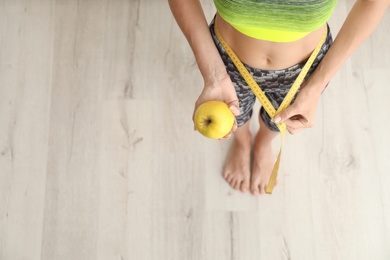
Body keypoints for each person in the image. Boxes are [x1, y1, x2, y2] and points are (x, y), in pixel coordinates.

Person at [168, 0, 390, 195]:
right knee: (236, 116)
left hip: (303, 70)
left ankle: (263, 143)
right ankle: (243, 141)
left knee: (279, 122)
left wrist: (316, 85)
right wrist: (214, 73)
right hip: (226, 61)